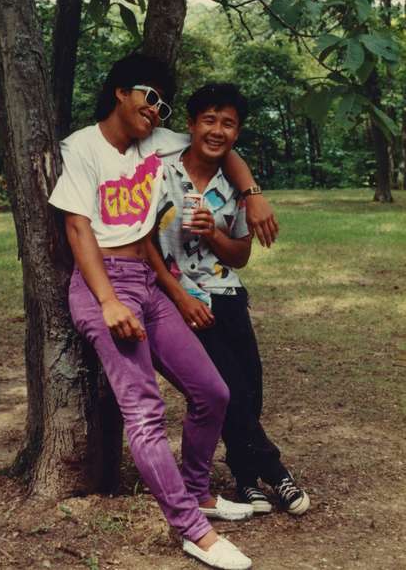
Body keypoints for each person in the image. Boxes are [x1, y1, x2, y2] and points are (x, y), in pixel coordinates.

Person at [49, 54, 278, 570]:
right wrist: (107, 300)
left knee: (212, 392)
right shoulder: (82, 147)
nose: (156, 111)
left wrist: (252, 194)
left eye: (163, 104)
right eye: (149, 97)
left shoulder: (154, 141)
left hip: (151, 283)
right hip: (105, 284)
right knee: (145, 411)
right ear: (120, 93)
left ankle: (197, 492)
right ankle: (192, 530)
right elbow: (77, 228)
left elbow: (218, 145)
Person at [147, 82, 310, 517]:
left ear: (237, 132)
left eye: (228, 124)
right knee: (227, 389)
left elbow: (241, 253)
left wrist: (213, 232)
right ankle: (276, 472)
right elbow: (141, 240)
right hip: (184, 300)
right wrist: (179, 297)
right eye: (209, 120)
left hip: (228, 294)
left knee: (248, 387)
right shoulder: (159, 170)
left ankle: (243, 478)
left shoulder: (233, 184)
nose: (217, 130)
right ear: (190, 124)